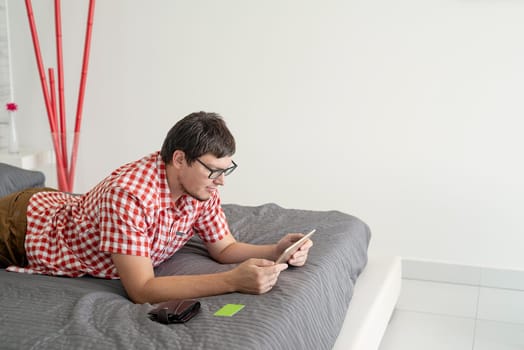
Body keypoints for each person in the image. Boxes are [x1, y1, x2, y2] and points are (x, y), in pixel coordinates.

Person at [0, 111, 312, 304]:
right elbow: (142, 289)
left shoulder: (201, 185)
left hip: (58, 205)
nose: (221, 182)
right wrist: (233, 281)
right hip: (21, 229)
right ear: (179, 160)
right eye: (213, 171)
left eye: (225, 170)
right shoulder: (128, 196)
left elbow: (224, 248)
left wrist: (274, 250)